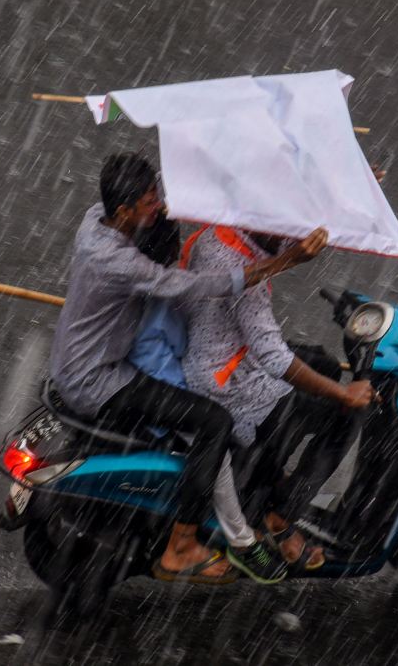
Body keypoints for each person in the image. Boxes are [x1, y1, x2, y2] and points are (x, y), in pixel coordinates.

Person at [48, 152, 327, 584]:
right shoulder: (123, 266)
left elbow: (175, 185)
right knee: (212, 422)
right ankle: (182, 547)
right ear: (124, 212)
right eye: (149, 203)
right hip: (97, 381)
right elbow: (202, 286)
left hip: (77, 362)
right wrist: (283, 262)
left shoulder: (95, 220)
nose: (158, 205)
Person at [181, 224, 375, 570]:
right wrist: (344, 393)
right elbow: (275, 358)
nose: (291, 235)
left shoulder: (217, 232)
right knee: (347, 415)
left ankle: (269, 473)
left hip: (213, 353)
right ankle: (282, 514)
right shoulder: (242, 277)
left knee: (321, 361)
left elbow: (289, 247)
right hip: (231, 384)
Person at [128, 212, 291, 584]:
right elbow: (162, 369)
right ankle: (241, 541)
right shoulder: (161, 303)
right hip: (164, 390)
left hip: (165, 378)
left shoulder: (162, 284)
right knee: (213, 431)